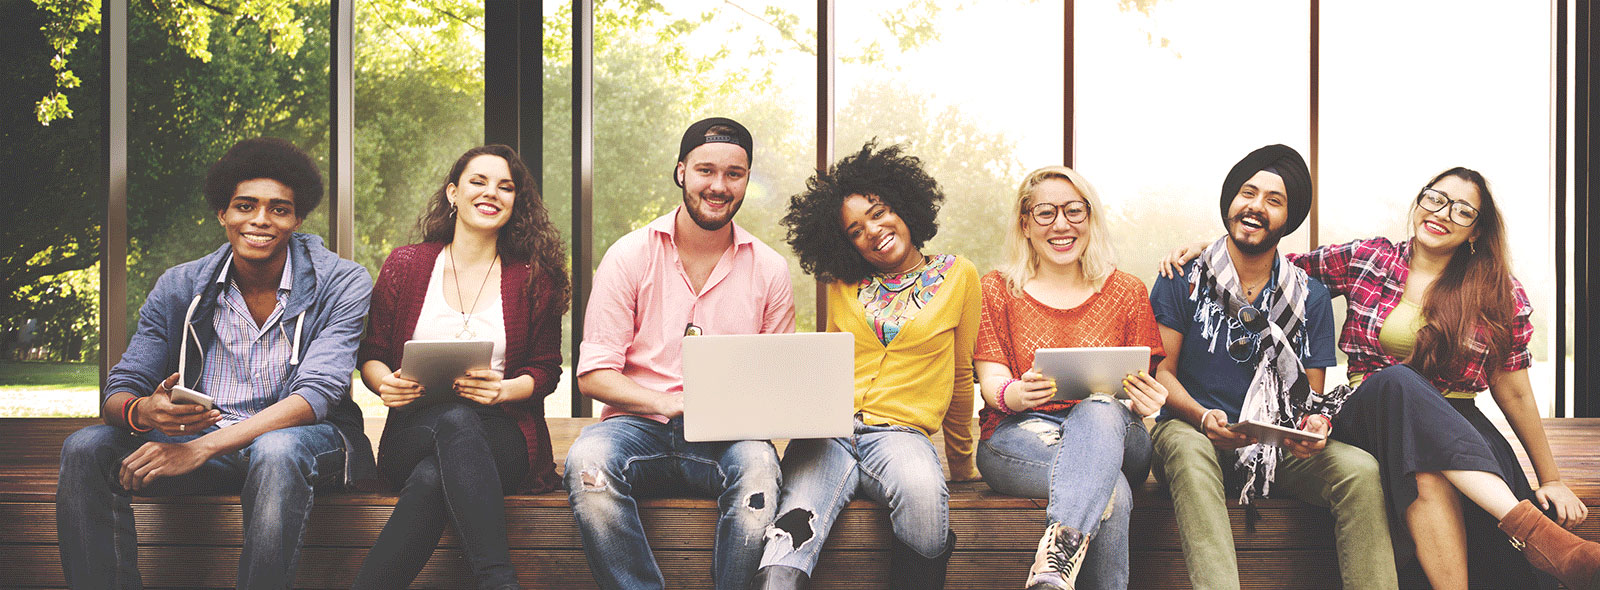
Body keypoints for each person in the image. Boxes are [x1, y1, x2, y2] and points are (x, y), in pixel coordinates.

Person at [1160, 166, 1600, 590]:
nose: (1443, 213)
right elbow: (1272, 264)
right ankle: (1539, 536)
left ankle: (1522, 546)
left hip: (1456, 425)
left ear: (1477, 231)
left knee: (1425, 469)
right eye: (1436, 199)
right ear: (1420, 202)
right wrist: (1212, 249)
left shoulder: (1497, 290)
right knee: (1398, 381)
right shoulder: (1369, 258)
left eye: (1462, 211)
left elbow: (1517, 392)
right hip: (1366, 410)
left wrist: (1552, 477)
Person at [56, 137, 376, 589]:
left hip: (308, 445)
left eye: (279, 209)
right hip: (205, 446)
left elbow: (317, 396)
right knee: (87, 447)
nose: (261, 220)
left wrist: (201, 447)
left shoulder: (342, 282)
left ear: (297, 218)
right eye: (245, 205)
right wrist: (144, 412)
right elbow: (122, 386)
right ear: (222, 213)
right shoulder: (180, 285)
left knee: (276, 449)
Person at [1147, 145, 1396, 589]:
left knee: (1359, 469)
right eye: (1248, 192)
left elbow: (1309, 399)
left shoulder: (1311, 297)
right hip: (1192, 430)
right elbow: (1160, 372)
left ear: (1289, 218)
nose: (1256, 206)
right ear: (1230, 201)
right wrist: (1203, 418)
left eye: (1274, 200)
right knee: (1188, 447)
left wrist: (1314, 426)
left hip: (1274, 447)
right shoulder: (1183, 278)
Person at [563, 117, 794, 590]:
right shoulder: (629, 255)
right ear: (681, 172)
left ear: (747, 180)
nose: (719, 185)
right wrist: (665, 403)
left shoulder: (770, 269)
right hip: (636, 427)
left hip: (729, 435)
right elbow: (593, 375)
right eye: (706, 170)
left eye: (735, 173)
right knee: (587, 461)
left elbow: (778, 383)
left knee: (758, 470)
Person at [752, 141, 978, 590]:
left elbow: (960, 373)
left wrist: (962, 464)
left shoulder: (959, 275)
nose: (872, 231)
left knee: (922, 495)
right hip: (829, 432)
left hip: (901, 435)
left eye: (878, 212)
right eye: (855, 230)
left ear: (905, 207)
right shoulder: (842, 284)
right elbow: (827, 365)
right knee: (789, 536)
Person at [351, 145, 569, 590]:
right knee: (449, 426)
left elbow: (547, 368)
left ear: (515, 203)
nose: (492, 193)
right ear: (453, 192)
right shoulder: (406, 265)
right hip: (413, 429)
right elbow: (371, 352)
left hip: (502, 434)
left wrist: (506, 390)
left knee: (435, 474)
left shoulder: (532, 276)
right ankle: (498, 580)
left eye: (505, 187)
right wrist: (383, 384)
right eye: (479, 181)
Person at [972, 166, 1168, 590]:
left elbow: (1141, 388)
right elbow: (991, 380)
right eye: (1045, 213)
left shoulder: (1127, 292)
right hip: (1018, 436)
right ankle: (1055, 571)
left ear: (1090, 217)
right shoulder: (996, 289)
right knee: (1109, 487)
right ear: (1025, 224)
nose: (1061, 224)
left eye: (1074, 211)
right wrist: (1017, 394)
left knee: (1100, 406)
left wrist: (1146, 402)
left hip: (1118, 438)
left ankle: (1054, 565)